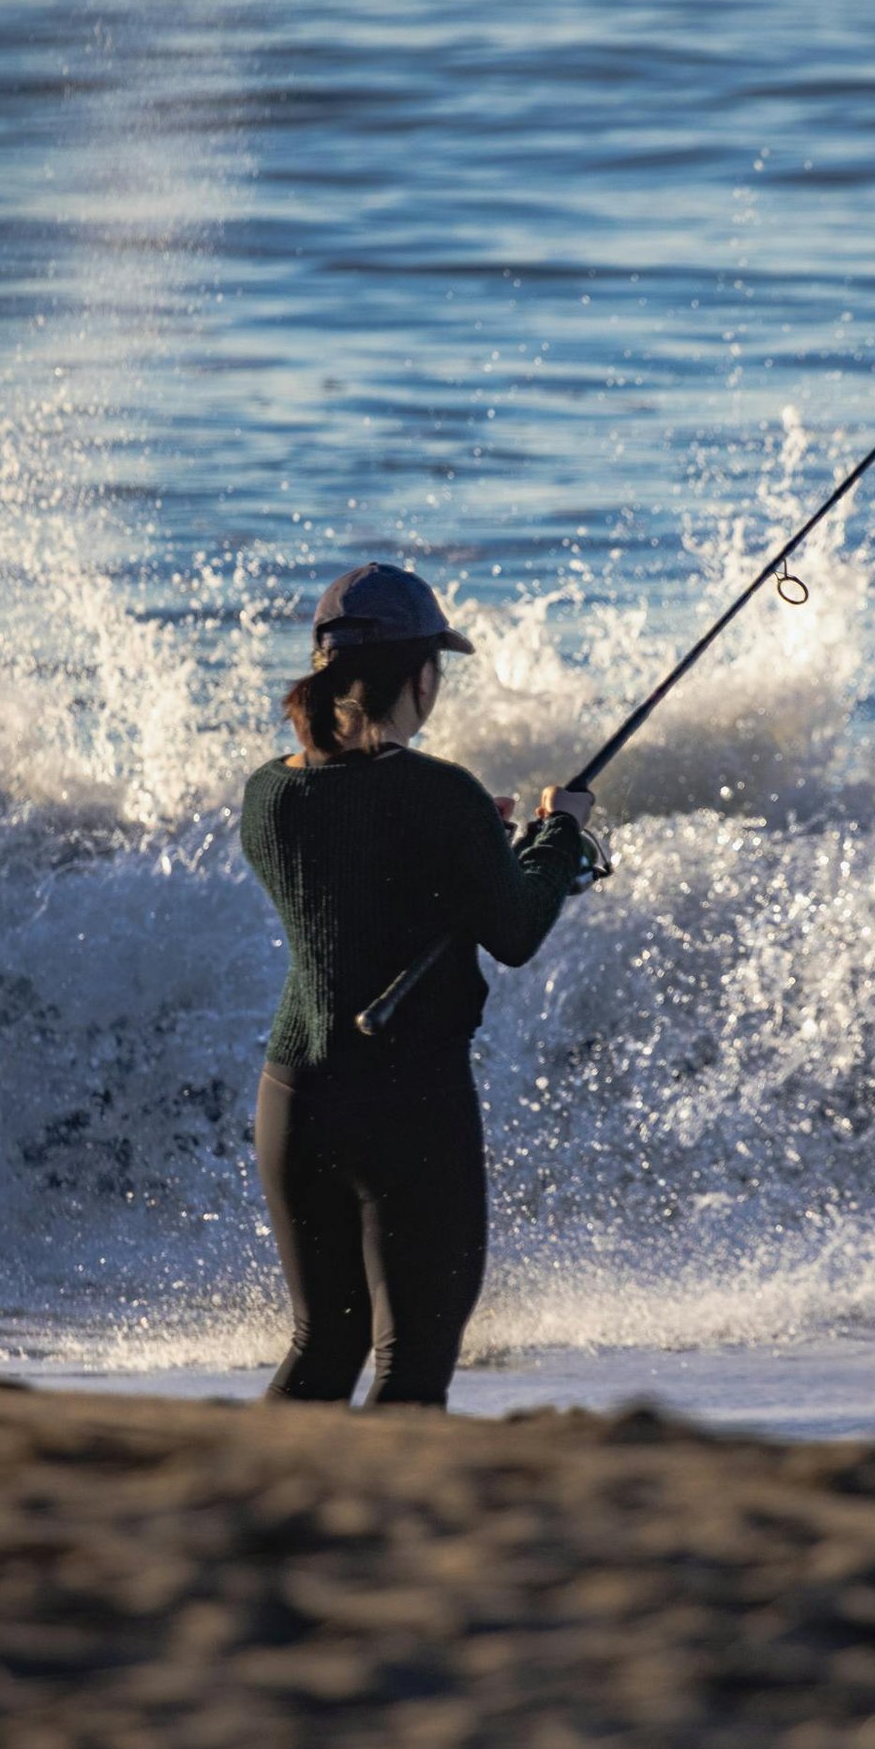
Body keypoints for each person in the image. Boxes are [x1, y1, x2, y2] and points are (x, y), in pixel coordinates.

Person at [240, 563, 593, 1407]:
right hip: (409, 1105)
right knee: (412, 1361)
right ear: (420, 675)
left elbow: (359, 882)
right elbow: (513, 933)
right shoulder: (444, 797)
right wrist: (556, 838)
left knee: (324, 1342)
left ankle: (254, 1513)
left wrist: (476, 845)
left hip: (292, 1098)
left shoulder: (268, 794)